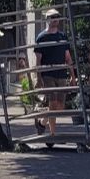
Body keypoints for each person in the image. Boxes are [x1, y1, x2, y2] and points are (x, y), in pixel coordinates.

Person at [33, 9, 75, 141]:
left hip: (62, 73)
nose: (55, 19)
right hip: (48, 74)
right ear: (47, 19)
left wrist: (73, 76)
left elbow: (68, 57)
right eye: (52, 17)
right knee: (53, 102)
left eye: (57, 16)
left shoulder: (62, 36)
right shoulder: (41, 37)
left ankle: (42, 122)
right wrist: (38, 77)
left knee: (61, 106)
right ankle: (53, 134)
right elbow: (38, 60)